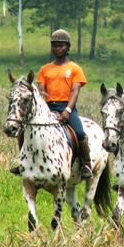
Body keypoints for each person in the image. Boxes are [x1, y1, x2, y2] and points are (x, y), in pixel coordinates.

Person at [11, 29, 93, 179]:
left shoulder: (75, 68)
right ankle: (21, 161)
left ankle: (86, 164)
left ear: (68, 47)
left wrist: (67, 110)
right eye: (55, 46)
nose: (57, 49)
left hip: (67, 107)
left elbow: (75, 91)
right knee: (22, 131)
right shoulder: (45, 69)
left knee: (80, 132)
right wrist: (46, 111)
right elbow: (41, 91)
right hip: (47, 107)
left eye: (61, 46)